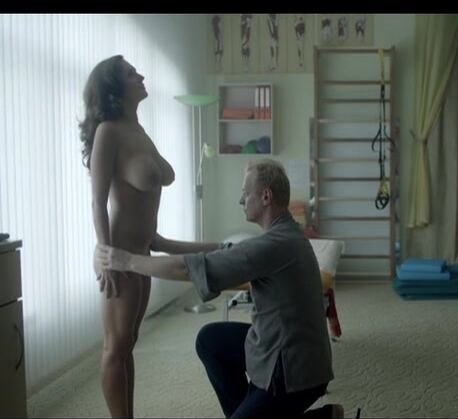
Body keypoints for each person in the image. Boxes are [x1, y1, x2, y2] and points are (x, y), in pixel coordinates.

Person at [95, 160, 343, 418]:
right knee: (210, 340)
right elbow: (225, 250)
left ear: (266, 196)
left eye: (245, 193)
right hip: (287, 348)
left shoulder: (275, 245)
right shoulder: (284, 235)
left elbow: (187, 270)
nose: (240, 200)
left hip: (294, 372)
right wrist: (165, 244)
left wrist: (127, 261)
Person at [79, 55, 176, 418]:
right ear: (115, 90)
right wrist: (106, 255)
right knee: (115, 347)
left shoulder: (139, 130)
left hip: (142, 253)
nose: (141, 76)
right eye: (132, 74)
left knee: (128, 345)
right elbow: (97, 201)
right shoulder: (109, 131)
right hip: (120, 254)